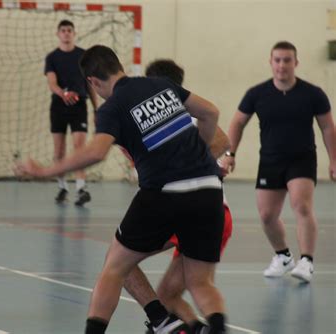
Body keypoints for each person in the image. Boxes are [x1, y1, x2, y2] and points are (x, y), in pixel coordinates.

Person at [15, 45, 227, 334]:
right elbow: (211, 112)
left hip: (163, 193)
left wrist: (45, 171)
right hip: (209, 191)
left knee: (114, 267)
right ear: (118, 65)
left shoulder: (113, 107)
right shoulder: (162, 85)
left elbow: (95, 153)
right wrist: (198, 155)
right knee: (201, 283)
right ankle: (213, 328)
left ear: (92, 81)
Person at [122, 59, 233, 334]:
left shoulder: (183, 114)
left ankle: (164, 323)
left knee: (119, 264)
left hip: (190, 210)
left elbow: (222, 140)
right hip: (205, 212)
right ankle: (194, 328)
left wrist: (188, 163)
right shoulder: (147, 119)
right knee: (172, 295)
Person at [222, 41, 336, 283]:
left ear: (296, 63)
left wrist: (333, 160)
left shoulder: (312, 93)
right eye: (277, 60)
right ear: (271, 62)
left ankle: (306, 261)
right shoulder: (257, 93)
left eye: (287, 60)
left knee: (301, 206)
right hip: (271, 160)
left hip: (302, 159)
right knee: (266, 215)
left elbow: (327, 127)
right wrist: (231, 154)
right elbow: (237, 123)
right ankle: (284, 257)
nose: (282, 65)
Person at [44, 19, 99, 206]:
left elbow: (90, 84)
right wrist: (63, 93)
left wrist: (96, 108)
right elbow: (52, 83)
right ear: (58, 34)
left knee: (79, 148)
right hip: (59, 107)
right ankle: (62, 187)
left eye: (69, 30)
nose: (66, 33)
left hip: (79, 106)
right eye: (63, 30)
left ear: (74, 33)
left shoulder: (83, 56)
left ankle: (81, 188)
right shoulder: (52, 57)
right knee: (59, 150)